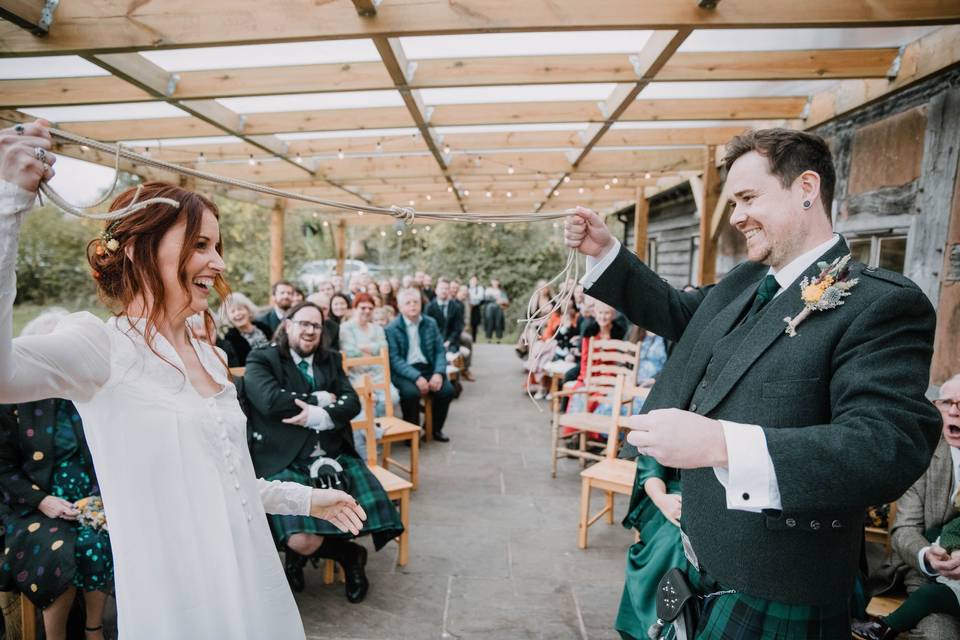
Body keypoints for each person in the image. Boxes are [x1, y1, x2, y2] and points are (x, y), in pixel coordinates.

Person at [565, 127, 940, 638]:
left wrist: (720, 444)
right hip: (700, 553)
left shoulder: (880, 303)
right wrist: (608, 252)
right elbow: (679, 312)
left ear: (806, 188)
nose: (736, 215)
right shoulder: (747, 280)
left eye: (747, 198)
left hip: (781, 580)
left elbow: (888, 445)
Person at [0, 120, 366, 640]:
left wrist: (304, 500)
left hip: (252, 580)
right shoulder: (99, 348)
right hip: (180, 599)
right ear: (137, 248)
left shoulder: (211, 358)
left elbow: (225, 484)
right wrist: (9, 206)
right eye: (199, 245)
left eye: (216, 246)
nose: (217, 263)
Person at [243, 302, 403, 602]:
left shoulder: (330, 359)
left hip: (331, 454)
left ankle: (300, 556)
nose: (310, 331)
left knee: (350, 512)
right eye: (303, 323)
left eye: (316, 326)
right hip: (284, 457)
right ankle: (348, 556)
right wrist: (319, 398)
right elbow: (269, 400)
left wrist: (321, 416)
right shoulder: (262, 358)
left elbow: (350, 402)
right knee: (300, 538)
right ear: (288, 325)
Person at [0, 308, 113, 640]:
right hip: (34, 505)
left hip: (92, 498)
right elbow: (3, 468)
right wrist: (42, 500)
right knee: (58, 550)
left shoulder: (92, 393)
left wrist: (100, 497)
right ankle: (56, 636)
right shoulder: (13, 401)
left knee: (101, 541)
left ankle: (94, 629)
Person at [854, 375, 960, 640]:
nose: (954, 411)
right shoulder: (924, 456)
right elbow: (905, 529)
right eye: (947, 403)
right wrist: (928, 556)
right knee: (940, 635)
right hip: (929, 576)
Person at [385, 288, 455, 443]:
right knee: (411, 394)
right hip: (405, 372)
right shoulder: (392, 328)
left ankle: (434, 429)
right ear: (400, 307)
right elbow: (395, 359)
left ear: (421, 304)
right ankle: (411, 433)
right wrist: (416, 377)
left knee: (447, 391)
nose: (412, 306)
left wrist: (438, 373)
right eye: (408, 303)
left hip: (428, 368)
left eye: (415, 302)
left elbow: (439, 351)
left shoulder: (430, 323)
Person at [340, 293, 399, 418]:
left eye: (370, 308)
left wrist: (362, 347)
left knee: (393, 397)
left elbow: (383, 348)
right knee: (366, 401)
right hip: (356, 374)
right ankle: (370, 430)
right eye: (363, 308)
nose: (367, 311)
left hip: (378, 373)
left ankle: (377, 427)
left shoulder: (377, 329)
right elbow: (350, 352)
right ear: (355, 308)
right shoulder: (346, 328)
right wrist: (373, 349)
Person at [218, 291, 271, 367]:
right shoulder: (230, 338)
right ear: (228, 317)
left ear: (248, 310)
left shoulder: (263, 327)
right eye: (232, 311)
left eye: (240, 309)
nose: (237, 314)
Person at [424, 277, 464, 354]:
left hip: (451, 342)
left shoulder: (455, 307)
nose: (444, 291)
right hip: (433, 342)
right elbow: (427, 328)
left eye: (446, 288)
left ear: (449, 290)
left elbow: (457, 328)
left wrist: (449, 341)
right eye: (441, 288)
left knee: (452, 358)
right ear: (436, 290)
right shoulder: (429, 307)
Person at [482, 278, 508, 342]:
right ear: (491, 282)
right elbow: (486, 299)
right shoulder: (488, 290)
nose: (495, 283)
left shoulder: (501, 291)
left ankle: (498, 338)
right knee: (489, 322)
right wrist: (496, 300)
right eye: (493, 281)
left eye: (496, 281)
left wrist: (502, 302)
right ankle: (488, 338)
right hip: (489, 308)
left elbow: (505, 300)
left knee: (498, 322)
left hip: (499, 308)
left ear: (498, 282)